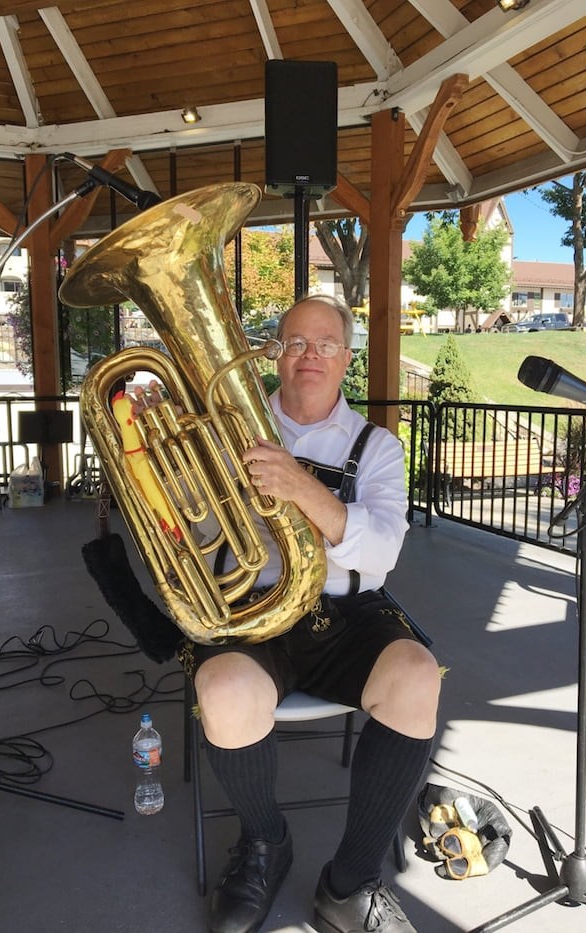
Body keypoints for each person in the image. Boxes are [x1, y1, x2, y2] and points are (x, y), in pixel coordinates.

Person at [182, 294, 441, 933]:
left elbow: (383, 550)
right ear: (275, 353)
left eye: (325, 344)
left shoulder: (376, 447)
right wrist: (186, 475)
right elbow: (194, 533)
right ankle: (265, 843)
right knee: (222, 688)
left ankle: (350, 884)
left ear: (346, 358)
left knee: (417, 676)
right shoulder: (228, 434)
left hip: (347, 613)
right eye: (296, 342)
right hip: (253, 606)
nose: (309, 356)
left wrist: (300, 487)